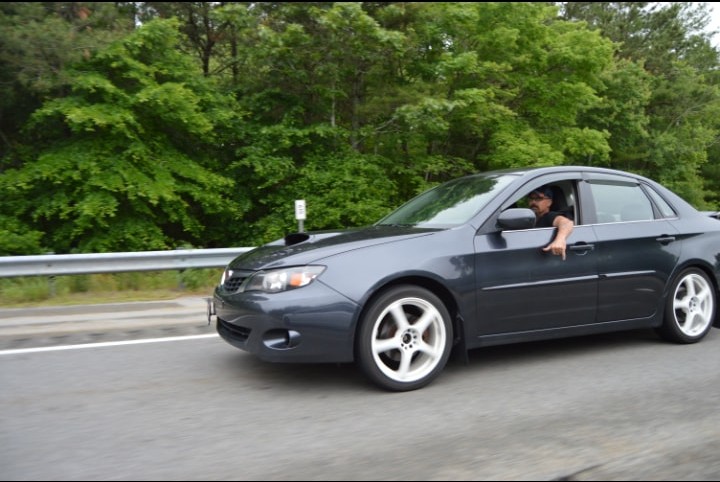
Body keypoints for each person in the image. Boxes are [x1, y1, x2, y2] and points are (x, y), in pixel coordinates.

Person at [527, 186, 574, 260]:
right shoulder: (529, 219)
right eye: (531, 199)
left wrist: (560, 239)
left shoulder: (549, 216)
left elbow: (567, 223)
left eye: (538, 199)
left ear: (549, 202)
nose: (533, 202)